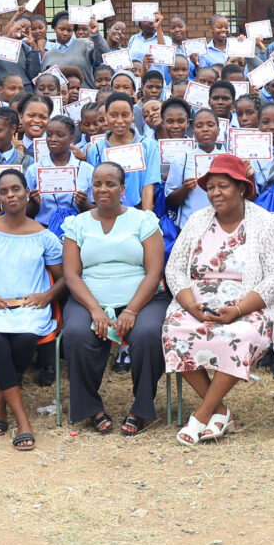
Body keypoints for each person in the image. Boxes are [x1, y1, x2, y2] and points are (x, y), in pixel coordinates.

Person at [162, 154, 274, 445]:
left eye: (223, 186)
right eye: (210, 188)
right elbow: (174, 267)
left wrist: (237, 309)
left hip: (250, 304)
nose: (215, 193)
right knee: (175, 330)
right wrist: (189, 305)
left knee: (242, 333)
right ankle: (221, 413)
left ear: (242, 188)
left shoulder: (265, 224)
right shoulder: (198, 221)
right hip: (198, 304)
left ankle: (202, 414)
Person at [61, 161, 169, 435]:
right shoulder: (77, 224)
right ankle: (90, 407)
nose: (103, 189)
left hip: (143, 300)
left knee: (147, 335)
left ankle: (142, 407)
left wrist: (131, 311)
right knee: (75, 334)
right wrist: (96, 310)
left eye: (110, 184)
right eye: (97, 183)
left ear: (123, 189)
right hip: (90, 300)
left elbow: (154, 271)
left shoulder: (144, 220)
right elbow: (72, 275)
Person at [0, 169, 67, 450]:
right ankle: (23, 421)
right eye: (5, 191)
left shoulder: (44, 235)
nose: (11, 195)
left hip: (30, 307)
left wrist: (47, 295)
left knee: (25, 339)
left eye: (16, 189)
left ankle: (0, 401)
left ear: (27, 192)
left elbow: (65, 276)